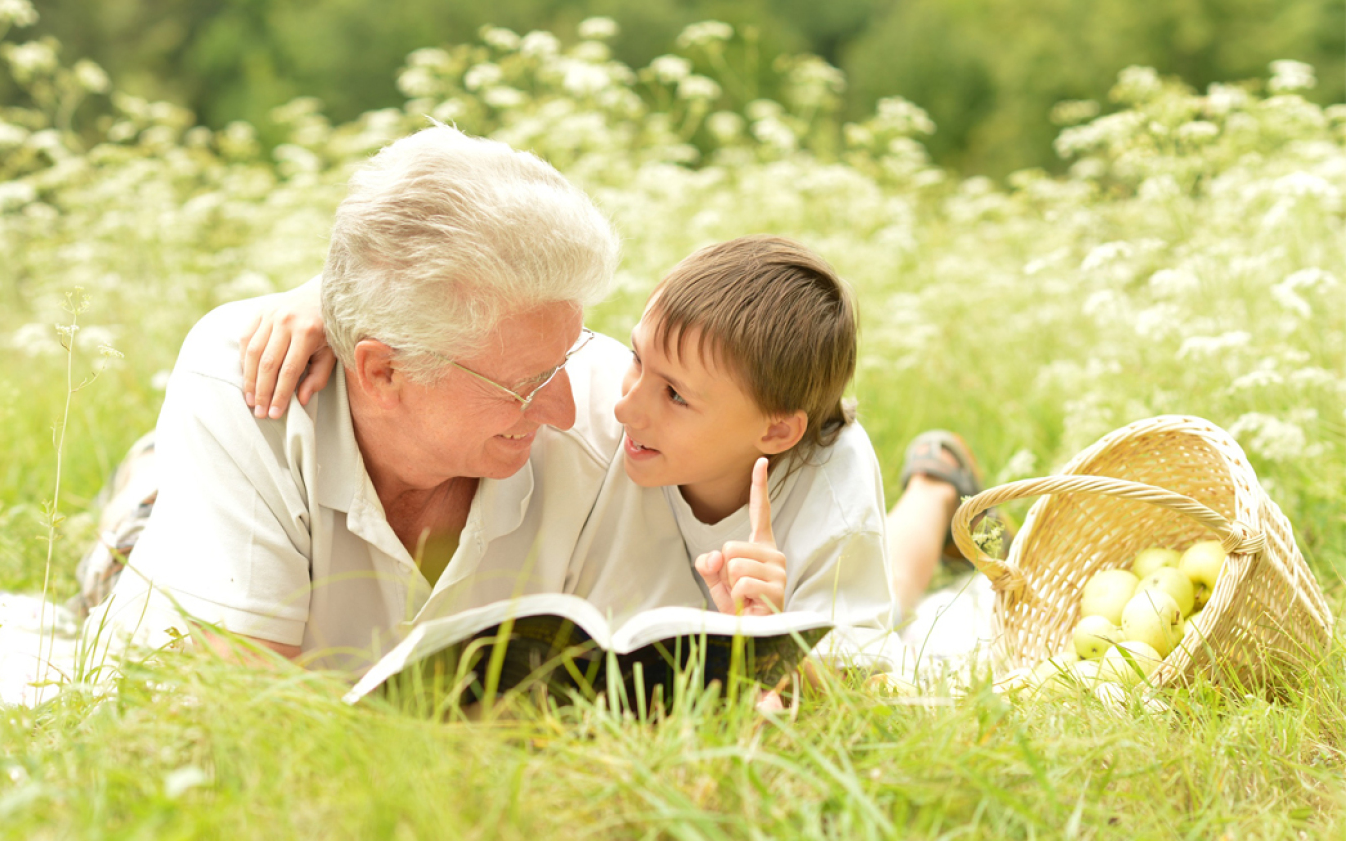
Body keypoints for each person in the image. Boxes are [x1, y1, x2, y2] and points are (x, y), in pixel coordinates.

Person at [243, 236, 991, 670]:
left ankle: (932, 484)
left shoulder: (826, 479)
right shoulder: (621, 409)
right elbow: (475, 296)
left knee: (896, 597)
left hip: (818, 554)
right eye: (638, 362)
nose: (626, 402)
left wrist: (763, 634)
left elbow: (844, 681)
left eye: (675, 395)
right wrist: (321, 299)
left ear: (775, 431)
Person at [84, 125, 632, 673]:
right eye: (524, 384)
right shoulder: (246, 374)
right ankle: (147, 478)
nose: (565, 411)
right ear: (383, 370)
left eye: (565, 360)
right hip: (169, 534)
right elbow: (241, 691)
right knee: (132, 546)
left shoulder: (617, 403)